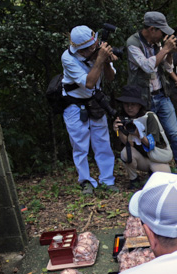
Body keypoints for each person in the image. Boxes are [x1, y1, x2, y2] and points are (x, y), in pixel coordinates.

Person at [126, 11, 177, 179]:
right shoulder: (133, 43)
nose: (164, 35)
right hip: (144, 98)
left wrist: (169, 53)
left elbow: (168, 68)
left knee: (174, 133)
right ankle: (152, 170)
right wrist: (166, 49)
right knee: (147, 135)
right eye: (162, 31)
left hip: (162, 95)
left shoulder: (157, 45)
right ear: (152, 29)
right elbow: (147, 67)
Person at [61, 25, 118, 195]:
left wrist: (106, 61)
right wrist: (99, 59)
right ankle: (85, 180)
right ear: (81, 50)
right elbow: (89, 82)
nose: (93, 50)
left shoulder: (97, 51)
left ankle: (107, 180)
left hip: (95, 101)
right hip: (74, 103)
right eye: (89, 49)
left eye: (95, 46)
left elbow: (110, 77)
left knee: (102, 142)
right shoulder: (68, 58)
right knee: (80, 144)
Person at [112, 85, 172, 189]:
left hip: (155, 157)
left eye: (133, 104)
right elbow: (127, 144)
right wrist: (118, 131)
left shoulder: (149, 117)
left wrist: (139, 134)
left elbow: (152, 144)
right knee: (126, 152)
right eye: (126, 104)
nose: (129, 107)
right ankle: (133, 180)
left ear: (139, 105)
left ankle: (153, 173)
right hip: (141, 158)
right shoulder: (123, 119)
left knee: (165, 182)